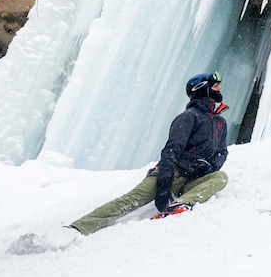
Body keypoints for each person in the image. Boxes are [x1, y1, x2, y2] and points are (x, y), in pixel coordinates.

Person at [69, 72, 230, 235]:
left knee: (221, 177)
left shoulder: (220, 122)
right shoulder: (188, 117)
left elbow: (222, 152)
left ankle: (180, 205)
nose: (220, 88)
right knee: (131, 200)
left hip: (192, 179)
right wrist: (164, 180)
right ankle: (78, 227)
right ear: (203, 90)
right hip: (171, 172)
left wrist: (209, 168)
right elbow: (172, 148)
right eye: (215, 86)